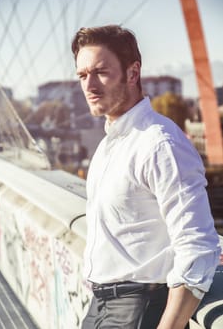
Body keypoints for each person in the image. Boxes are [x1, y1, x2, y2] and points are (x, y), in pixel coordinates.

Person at [71, 25, 221, 329]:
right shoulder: (109, 145)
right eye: (82, 75)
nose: (90, 85)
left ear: (132, 72)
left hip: (137, 309)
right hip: (100, 304)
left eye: (101, 72)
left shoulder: (160, 144)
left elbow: (198, 247)